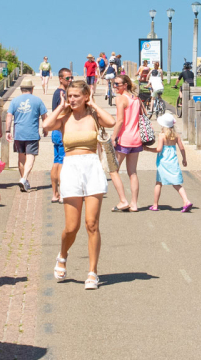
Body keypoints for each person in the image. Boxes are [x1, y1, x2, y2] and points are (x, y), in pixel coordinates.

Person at [43, 79, 114, 288]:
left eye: (76, 96)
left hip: (92, 167)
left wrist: (93, 104)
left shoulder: (94, 116)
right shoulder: (64, 118)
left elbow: (110, 122)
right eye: (69, 95)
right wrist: (61, 106)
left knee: (91, 224)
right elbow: (47, 125)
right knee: (71, 227)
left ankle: (92, 272)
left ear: (85, 96)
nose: (72, 99)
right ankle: (63, 255)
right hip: (71, 167)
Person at [5, 78, 48, 192]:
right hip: (32, 133)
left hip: (18, 133)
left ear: (21, 89)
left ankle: (24, 180)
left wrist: (7, 131)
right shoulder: (38, 101)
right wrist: (45, 129)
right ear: (32, 89)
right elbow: (45, 117)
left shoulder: (14, 101)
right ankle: (24, 178)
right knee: (30, 156)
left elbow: (9, 116)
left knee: (21, 157)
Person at [109, 74, 144, 211]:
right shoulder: (136, 99)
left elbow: (120, 121)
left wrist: (113, 137)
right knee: (132, 172)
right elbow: (142, 116)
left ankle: (123, 200)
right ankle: (134, 204)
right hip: (136, 138)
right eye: (114, 84)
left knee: (113, 170)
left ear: (125, 85)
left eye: (117, 84)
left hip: (124, 138)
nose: (115, 86)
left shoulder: (121, 99)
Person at [144, 113, 192, 212]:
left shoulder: (162, 135)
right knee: (177, 183)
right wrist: (184, 159)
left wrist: (147, 149)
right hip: (173, 161)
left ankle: (155, 204)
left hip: (163, 162)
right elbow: (181, 148)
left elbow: (159, 149)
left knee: (158, 183)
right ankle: (186, 200)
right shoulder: (176, 135)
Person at [48, 68, 74, 202]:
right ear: (61, 78)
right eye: (68, 78)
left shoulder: (58, 92)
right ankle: (62, 193)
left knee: (57, 160)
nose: (70, 80)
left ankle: (55, 194)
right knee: (62, 161)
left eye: (71, 77)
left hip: (56, 130)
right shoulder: (62, 93)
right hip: (61, 130)